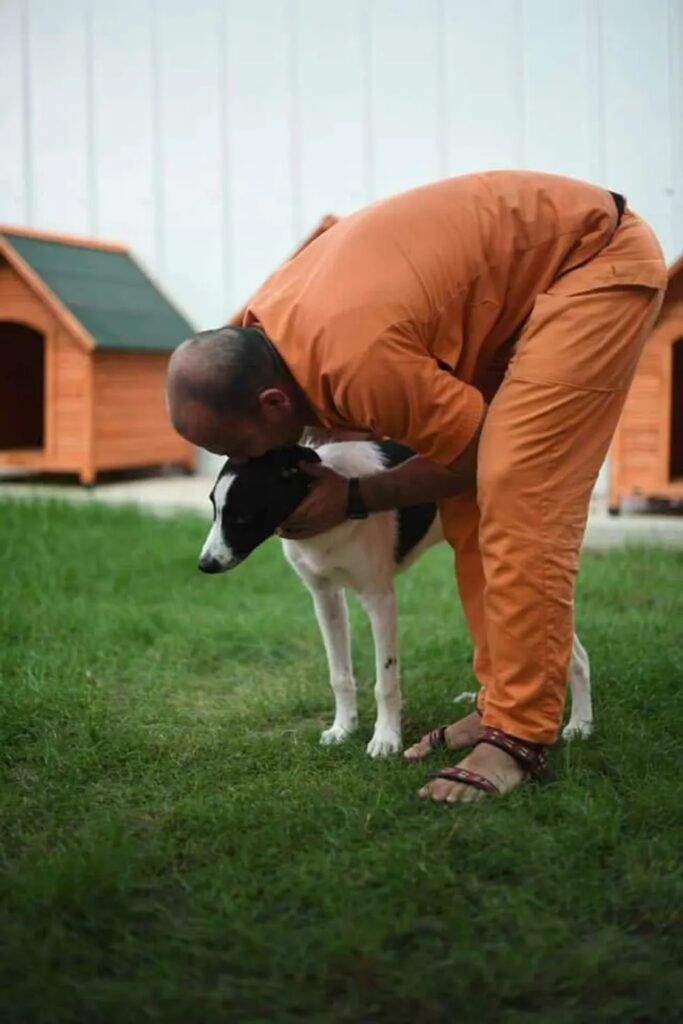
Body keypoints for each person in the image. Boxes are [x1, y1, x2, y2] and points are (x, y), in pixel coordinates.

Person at [166, 171, 666, 804]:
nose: (240, 463)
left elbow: (475, 460)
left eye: (237, 449)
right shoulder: (256, 330)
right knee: (470, 510)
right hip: (519, 283)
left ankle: (519, 737)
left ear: (271, 402)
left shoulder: (358, 361)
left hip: (595, 261)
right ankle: (500, 702)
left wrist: (356, 498)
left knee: (514, 486)